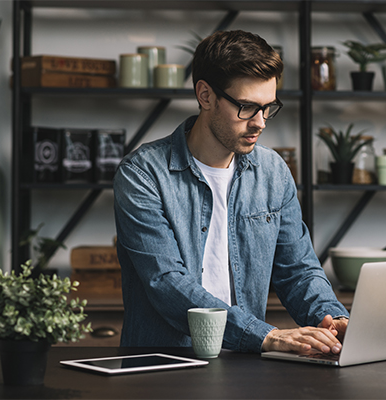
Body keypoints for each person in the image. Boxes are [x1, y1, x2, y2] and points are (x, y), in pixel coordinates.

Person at [114, 30, 349, 354]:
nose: (260, 123)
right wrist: (265, 336)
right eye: (247, 107)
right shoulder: (142, 174)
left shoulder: (273, 172)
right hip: (165, 366)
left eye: (269, 107)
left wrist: (333, 319)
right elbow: (166, 283)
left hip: (244, 366)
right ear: (205, 95)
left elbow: (298, 270)